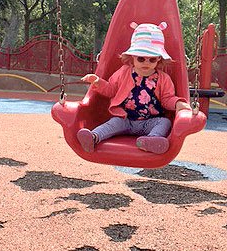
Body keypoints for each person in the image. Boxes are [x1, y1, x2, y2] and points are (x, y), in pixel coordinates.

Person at [76, 22, 191, 154]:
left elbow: (167, 99)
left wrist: (178, 103)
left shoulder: (163, 78)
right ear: (133, 57)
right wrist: (97, 82)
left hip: (149, 122)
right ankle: (93, 137)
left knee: (165, 123)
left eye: (152, 59)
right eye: (141, 59)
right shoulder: (124, 72)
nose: (146, 63)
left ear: (159, 59)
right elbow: (111, 89)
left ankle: (150, 141)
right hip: (125, 119)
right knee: (112, 124)